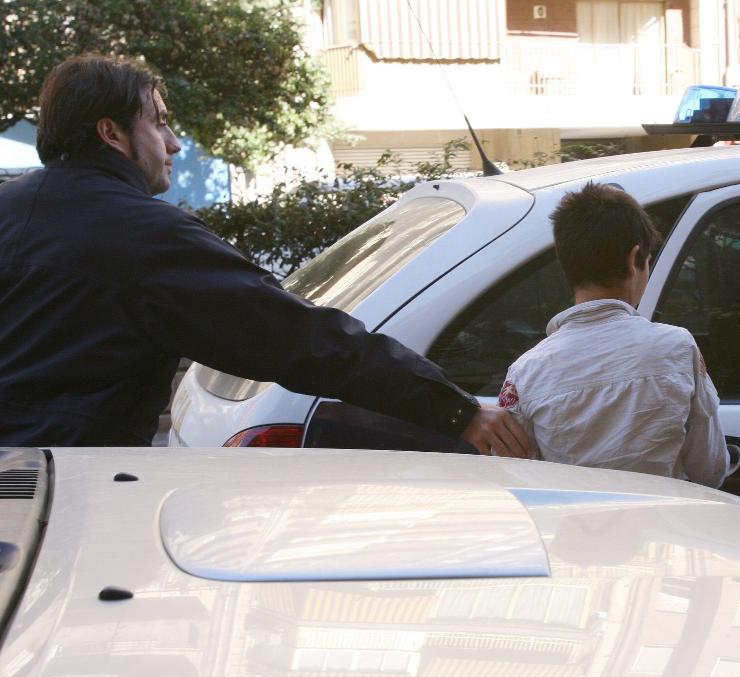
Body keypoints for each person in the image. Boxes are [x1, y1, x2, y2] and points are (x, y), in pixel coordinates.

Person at [0, 53, 528, 456]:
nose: (175, 143)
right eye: (159, 122)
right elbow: (296, 337)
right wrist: (457, 411)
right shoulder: (144, 236)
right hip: (63, 498)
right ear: (111, 133)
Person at [498, 182, 731, 487]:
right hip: (658, 528)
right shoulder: (677, 347)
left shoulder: (526, 371)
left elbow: (516, 477)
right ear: (635, 259)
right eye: (649, 262)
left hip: (568, 531)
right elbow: (709, 470)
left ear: (566, 263)